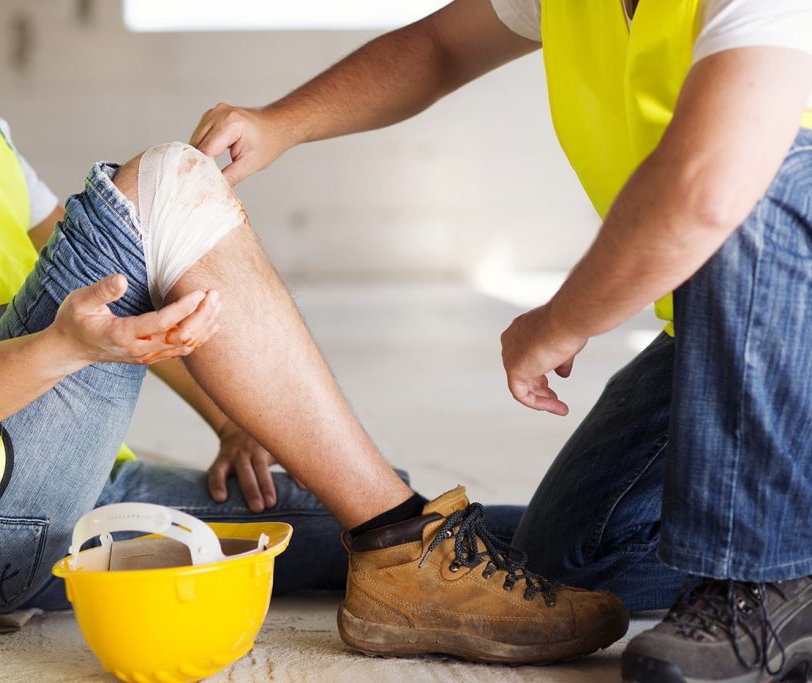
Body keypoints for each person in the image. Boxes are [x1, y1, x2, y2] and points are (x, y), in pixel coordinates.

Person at [0, 0, 628, 666]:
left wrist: (231, 419)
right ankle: (402, 538)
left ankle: (716, 580)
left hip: (31, 493)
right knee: (165, 180)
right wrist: (61, 350)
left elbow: (92, 259)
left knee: (455, 531)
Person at [191, 0, 812, 680]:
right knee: (566, 562)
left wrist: (565, 317)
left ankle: (764, 576)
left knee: (758, 163)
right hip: (725, 329)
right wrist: (280, 123)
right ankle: (781, 542)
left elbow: (710, 189)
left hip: (792, 312)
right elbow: (439, 47)